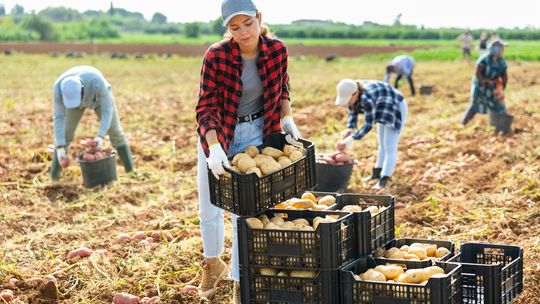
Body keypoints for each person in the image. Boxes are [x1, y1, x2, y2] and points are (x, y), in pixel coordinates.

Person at [194, 0, 300, 302]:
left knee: (246, 210)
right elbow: (206, 107)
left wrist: (287, 117)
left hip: (256, 133)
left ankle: (242, 279)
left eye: (248, 24)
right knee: (209, 205)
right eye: (234, 27)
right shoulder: (216, 56)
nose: (243, 32)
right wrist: (214, 149)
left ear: (259, 19)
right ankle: (213, 264)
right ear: (228, 29)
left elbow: (282, 87)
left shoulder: (277, 49)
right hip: (220, 132)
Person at [51, 65, 134, 180]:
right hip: (71, 103)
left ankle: (131, 172)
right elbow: (59, 116)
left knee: (115, 131)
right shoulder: (58, 88)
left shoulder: (97, 82)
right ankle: (54, 178)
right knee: (65, 134)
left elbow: (107, 109)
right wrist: (60, 146)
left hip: (98, 100)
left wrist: (100, 135)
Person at [334, 79, 408, 190]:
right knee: (381, 144)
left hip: (395, 106)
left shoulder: (367, 99)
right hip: (382, 106)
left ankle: (383, 180)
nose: (347, 103)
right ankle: (376, 174)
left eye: (348, 100)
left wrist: (350, 139)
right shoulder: (353, 93)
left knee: (389, 146)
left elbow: (368, 126)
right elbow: (352, 113)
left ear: (356, 93)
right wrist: (349, 130)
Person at [462, 40, 508, 125]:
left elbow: (504, 75)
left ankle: (501, 125)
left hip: (493, 86)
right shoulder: (484, 59)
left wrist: (502, 86)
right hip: (480, 86)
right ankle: (463, 123)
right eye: (501, 49)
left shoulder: (501, 61)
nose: (503, 51)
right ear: (495, 50)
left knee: (499, 105)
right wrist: (485, 81)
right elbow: (478, 73)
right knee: (474, 105)